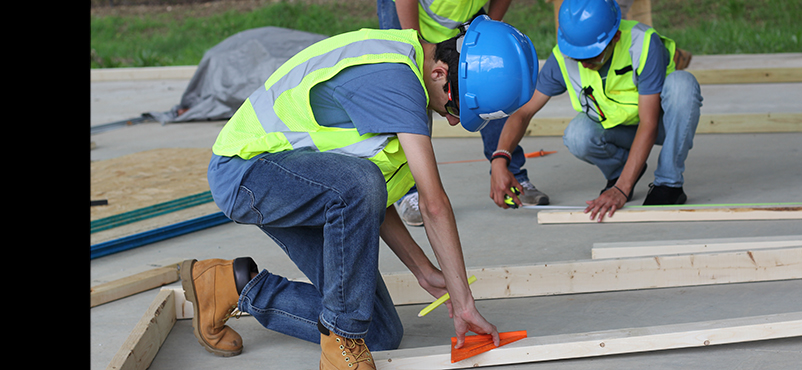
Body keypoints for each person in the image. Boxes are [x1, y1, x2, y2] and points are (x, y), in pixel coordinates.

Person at [182, 15, 538, 370]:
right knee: (361, 187)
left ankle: (230, 286)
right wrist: (463, 303)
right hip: (246, 172)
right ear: (440, 73)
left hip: (305, 188)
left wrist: (424, 270)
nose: (454, 120)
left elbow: (371, 202)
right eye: (456, 108)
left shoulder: (411, 80)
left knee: (381, 333)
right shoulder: (397, 79)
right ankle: (339, 342)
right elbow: (432, 204)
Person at [489, 0, 703, 222]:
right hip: (619, 129)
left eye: (592, 54)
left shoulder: (642, 43)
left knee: (682, 84)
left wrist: (621, 190)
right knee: (577, 134)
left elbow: (648, 124)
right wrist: (500, 159)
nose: (584, 63)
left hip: (663, 125)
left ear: (615, 37)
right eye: (577, 56)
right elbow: (523, 113)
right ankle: (622, 171)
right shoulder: (563, 57)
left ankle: (668, 184)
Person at [377, 0, 549, 227]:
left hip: (466, 22)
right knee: (410, 92)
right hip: (412, 18)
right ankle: (410, 191)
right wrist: (415, 45)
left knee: (488, 86)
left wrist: (488, 36)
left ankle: (510, 172)